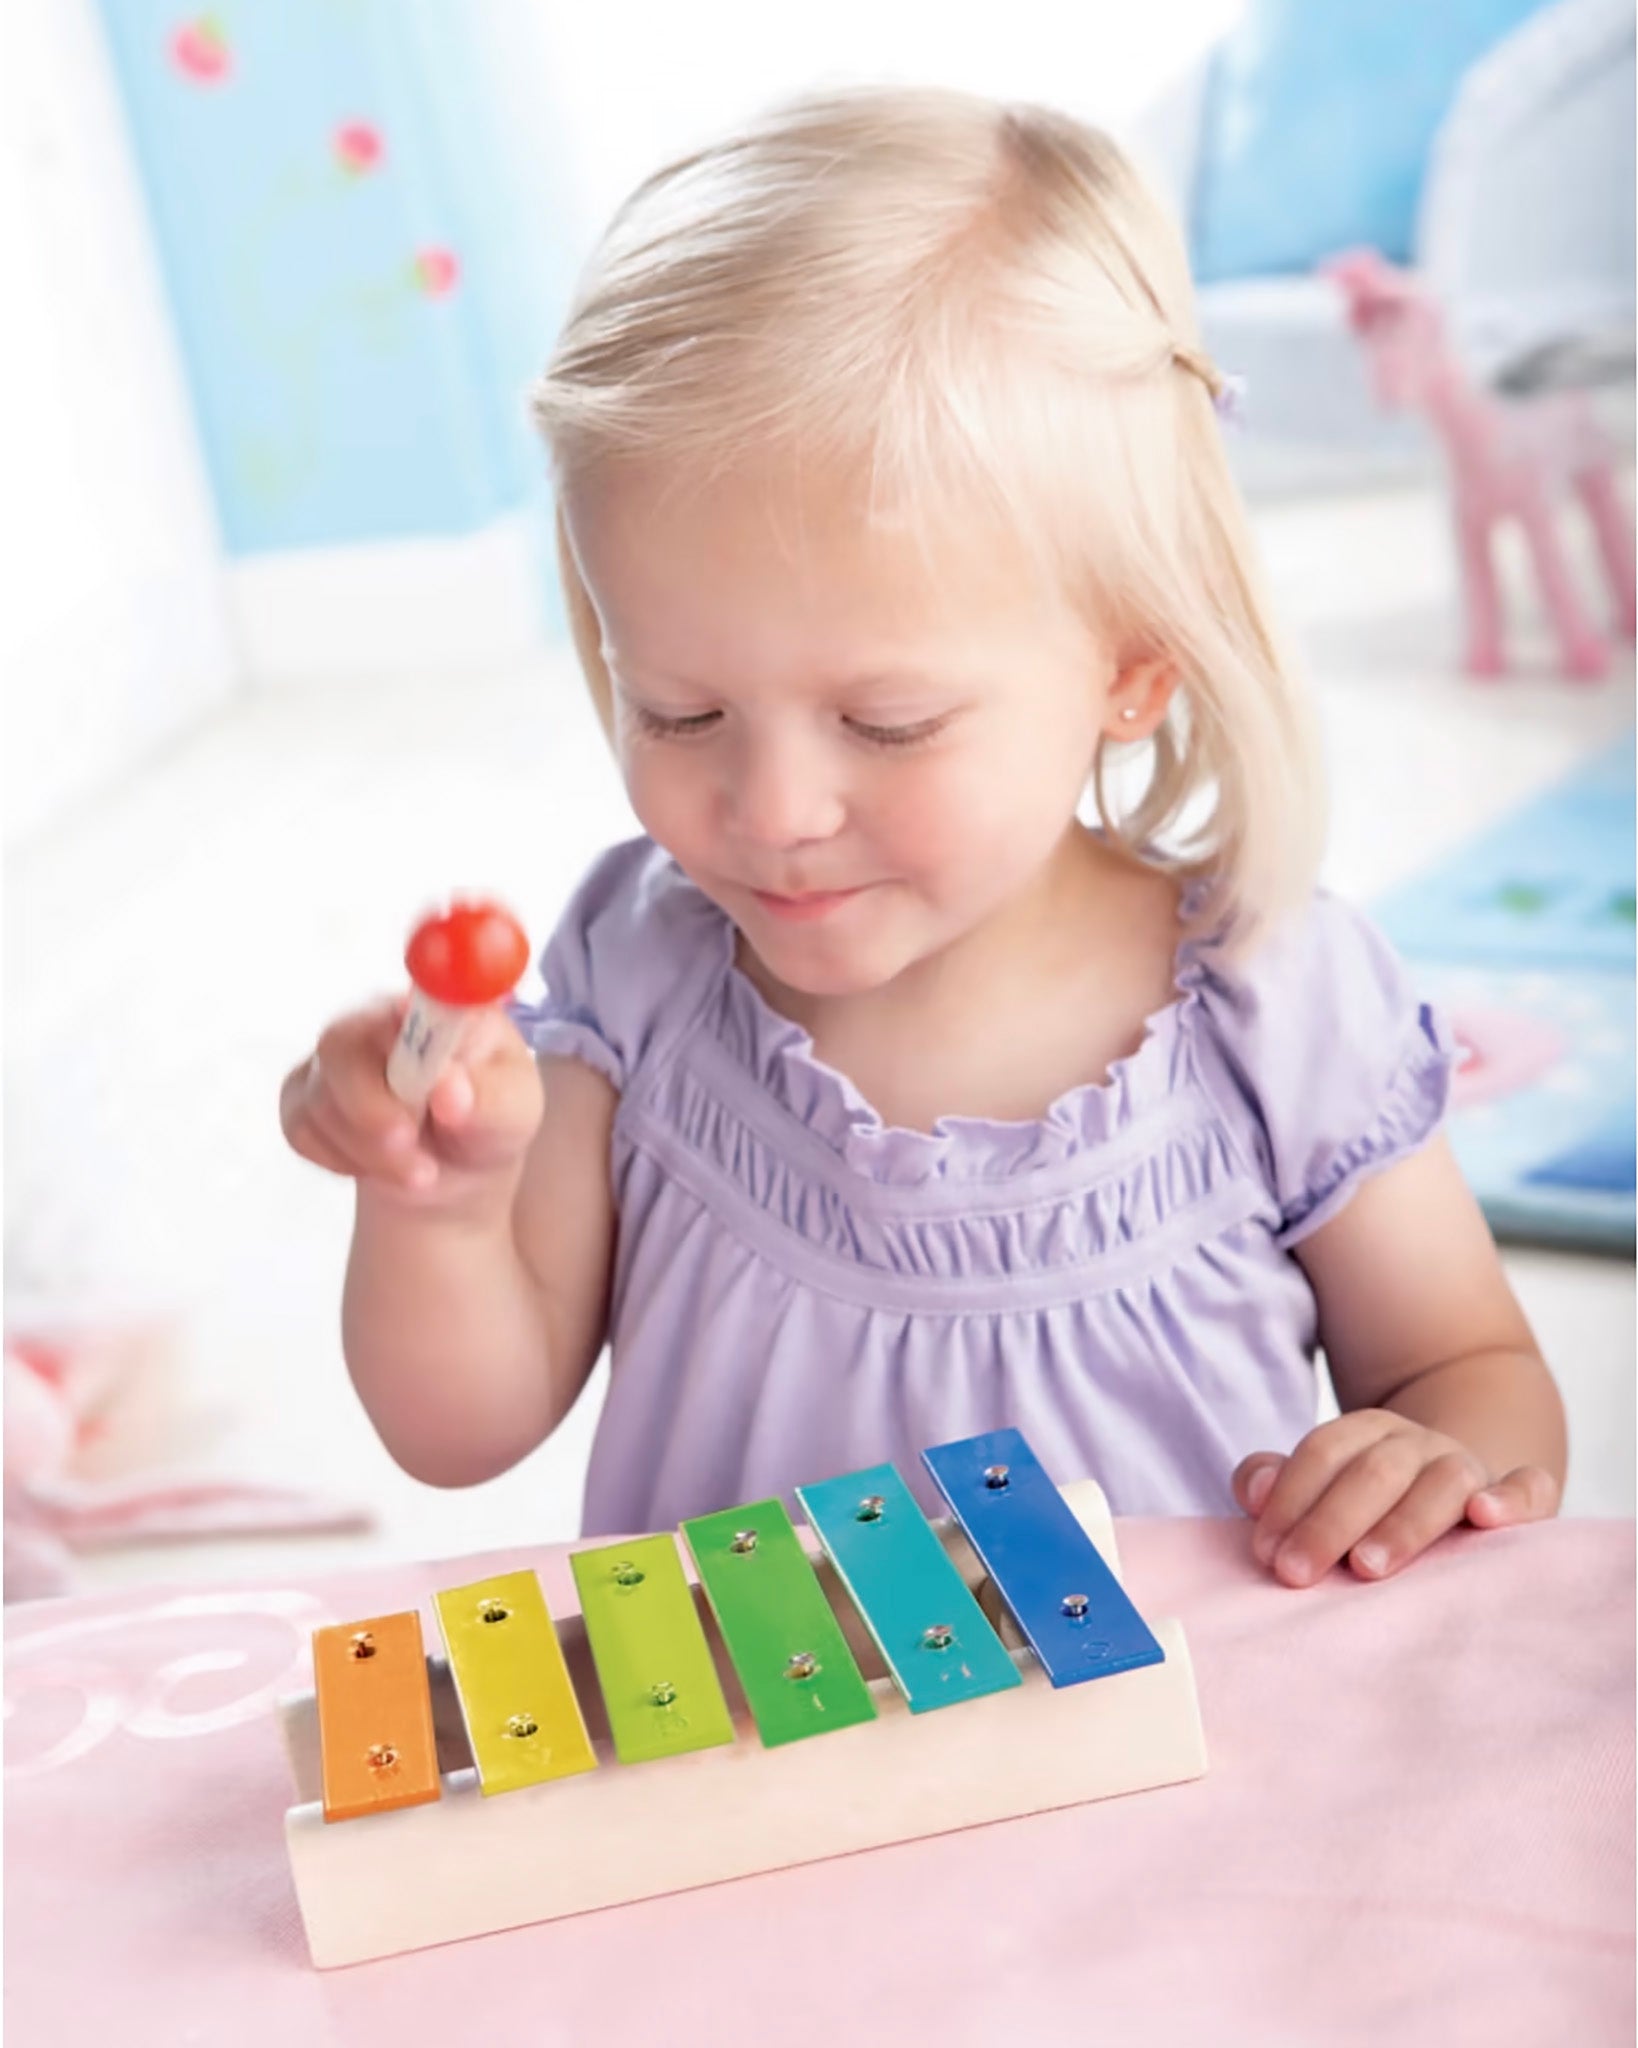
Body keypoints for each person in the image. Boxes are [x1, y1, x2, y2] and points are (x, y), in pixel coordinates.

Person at [280, 86, 1565, 1585]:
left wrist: (1432, 1453)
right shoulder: (636, 973)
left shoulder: (1272, 998)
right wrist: (436, 1205)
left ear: (1131, 661)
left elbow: (1467, 1368)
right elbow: (459, 1430)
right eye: (680, 712)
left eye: (884, 724)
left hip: (1173, 1781)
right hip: (756, 1786)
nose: (768, 813)